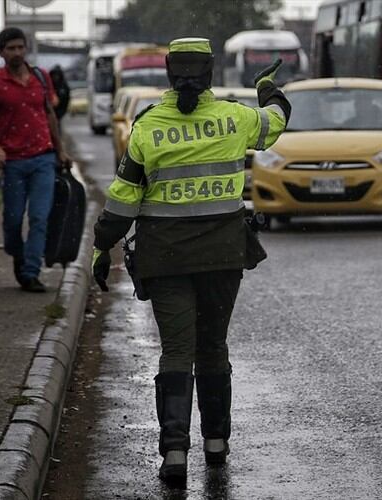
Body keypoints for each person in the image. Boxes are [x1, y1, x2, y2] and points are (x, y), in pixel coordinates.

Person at [91, 37, 291, 488]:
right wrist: (265, 87)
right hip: (222, 257)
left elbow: (123, 200)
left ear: (168, 71)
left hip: (166, 260)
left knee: (177, 350)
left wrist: (102, 247)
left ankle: (175, 453)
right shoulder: (235, 119)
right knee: (213, 346)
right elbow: (277, 120)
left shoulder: (147, 127)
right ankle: (216, 444)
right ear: (210, 72)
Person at [0, 27, 71, 293]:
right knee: (14, 220)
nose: (17, 53)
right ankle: (18, 255)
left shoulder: (41, 76)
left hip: (43, 158)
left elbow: (50, 114)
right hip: (13, 161)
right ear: (1, 52)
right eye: (11, 49)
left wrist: (60, 150)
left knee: (39, 217)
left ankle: (31, 272)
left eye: (20, 47)